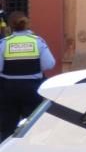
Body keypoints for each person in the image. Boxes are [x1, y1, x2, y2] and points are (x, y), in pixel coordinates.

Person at [0, 12, 56, 140]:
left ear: (10, 26)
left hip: (8, 89)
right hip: (32, 88)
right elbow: (50, 64)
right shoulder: (37, 41)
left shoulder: (4, 43)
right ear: (27, 24)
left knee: (7, 126)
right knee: (32, 125)